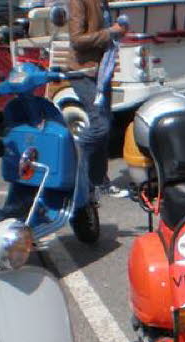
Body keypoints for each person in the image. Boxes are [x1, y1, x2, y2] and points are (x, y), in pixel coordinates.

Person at [68, 0, 128, 198]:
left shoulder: (103, 3)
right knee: (99, 125)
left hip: (101, 71)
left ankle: (99, 181)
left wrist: (117, 32)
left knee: (105, 126)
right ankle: (78, 180)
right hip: (83, 72)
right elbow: (77, 39)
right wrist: (111, 32)